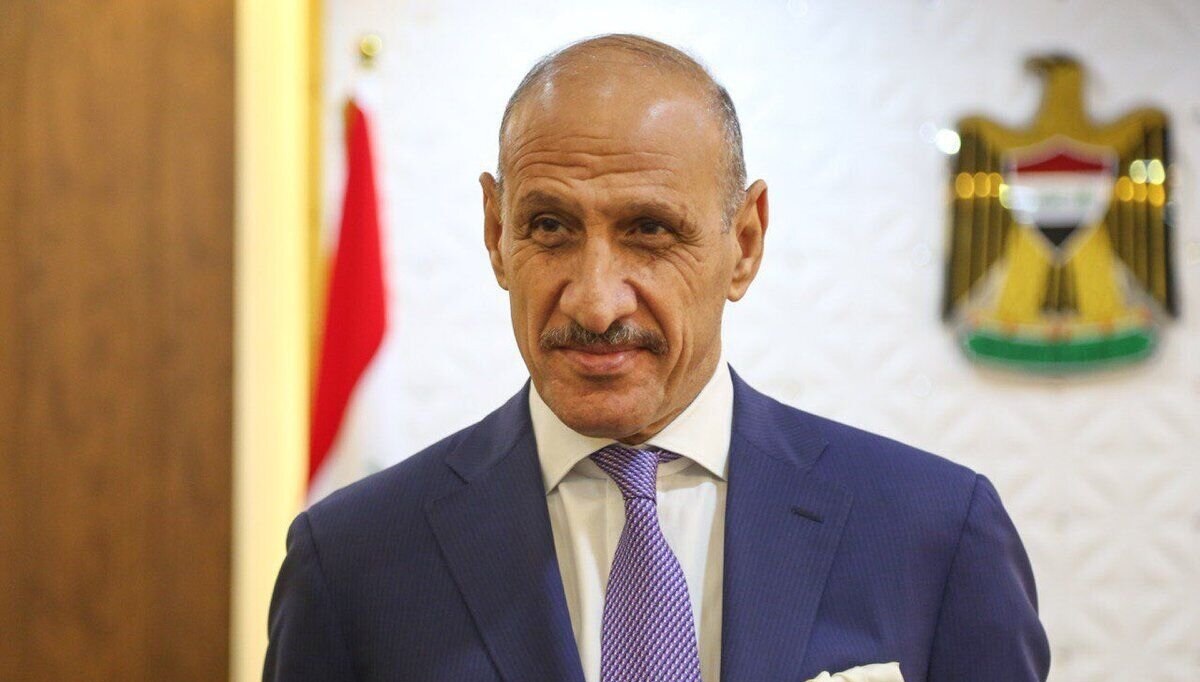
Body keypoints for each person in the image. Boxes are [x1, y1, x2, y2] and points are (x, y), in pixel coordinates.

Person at [264, 34, 1050, 682]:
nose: (594, 303)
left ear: (745, 243)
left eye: (649, 231)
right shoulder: (353, 560)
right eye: (549, 228)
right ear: (495, 235)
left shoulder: (932, 533)